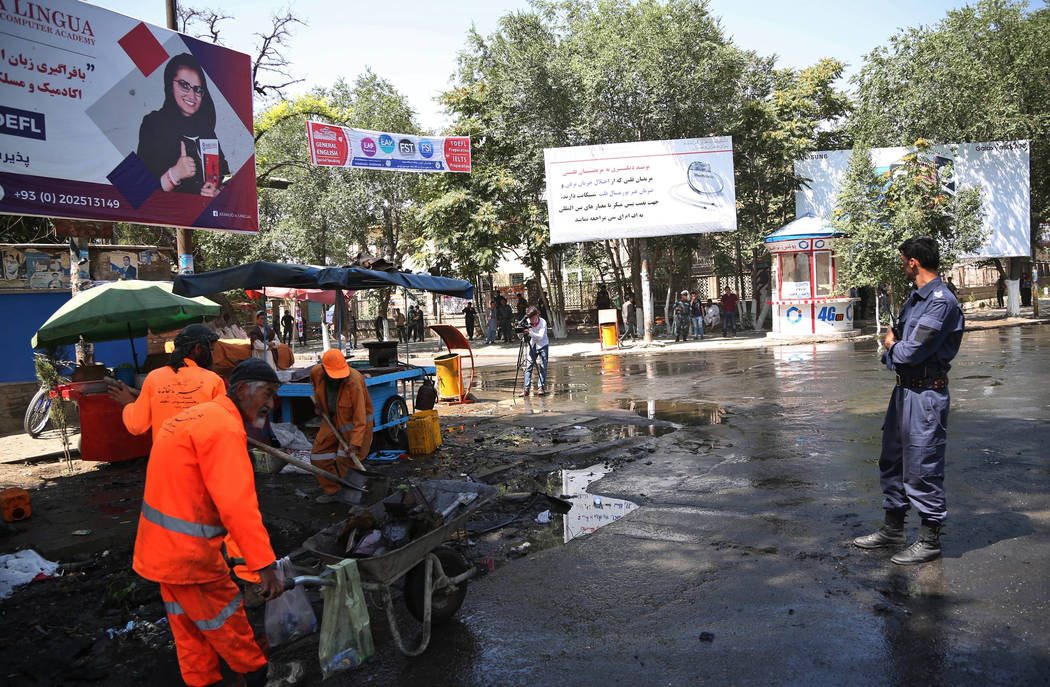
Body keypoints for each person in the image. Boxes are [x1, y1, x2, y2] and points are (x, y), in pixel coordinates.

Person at [132, 359, 290, 687]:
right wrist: (264, 566)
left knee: (192, 637)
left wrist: (241, 558)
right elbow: (237, 507)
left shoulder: (196, 416)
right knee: (231, 629)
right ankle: (262, 678)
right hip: (191, 560)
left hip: (160, 552)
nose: (272, 404)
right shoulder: (224, 430)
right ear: (242, 389)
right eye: (269, 394)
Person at [853, 237, 963, 565]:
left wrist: (892, 346)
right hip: (903, 391)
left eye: (903, 260)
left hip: (926, 394)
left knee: (922, 466)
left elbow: (909, 349)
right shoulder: (915, 299)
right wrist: (895, 346)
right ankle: (893, 529)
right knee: (893, 460)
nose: (903, 265)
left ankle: (930, 540)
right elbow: (898, 338)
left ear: (912, 261)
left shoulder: (941, 301)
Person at [109, 324, 224, 442]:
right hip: (202, 457)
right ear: (198, 349)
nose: (213, 356)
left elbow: (137, 426)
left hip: (165, 458)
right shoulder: (214, 381)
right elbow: (222, 427)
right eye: (211, 350)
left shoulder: (154, 378)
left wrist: (128, 402)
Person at [137, 53, 229, 197]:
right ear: (169, 85)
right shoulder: (154, 124)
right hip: (167, 216)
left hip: (205, 217)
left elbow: (227, 176)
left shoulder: (207, 131)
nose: (192, 95)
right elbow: (138, 191)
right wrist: (174, 174)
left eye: (198, 89)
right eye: (184, 85)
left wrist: (219, 192)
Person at [309, 350, 374, 503]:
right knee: (318, 457)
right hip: (331, 420)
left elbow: (360, 416)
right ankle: (334, 491)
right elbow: (315, 387)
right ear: (324, 369)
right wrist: (319, 404)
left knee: (345, 460)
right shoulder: (316, 372)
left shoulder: (354, 381)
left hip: (354, 425)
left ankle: (354, 497)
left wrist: (355, 442)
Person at [520, 306, 549, 397]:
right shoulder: (527, 322)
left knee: (543, 366)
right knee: (529, 367)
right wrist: (520, 332)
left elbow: (540, 336)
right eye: (530, 318)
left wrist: (530, 333)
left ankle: (540, 387)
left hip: (543, 345)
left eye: (533, 317)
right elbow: (520, 337)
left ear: (537, 315)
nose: (531, 320)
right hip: (532, 345)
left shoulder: (543, 322)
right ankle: (526, 389)